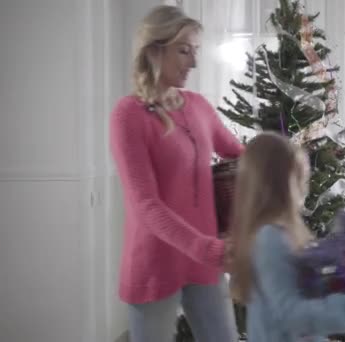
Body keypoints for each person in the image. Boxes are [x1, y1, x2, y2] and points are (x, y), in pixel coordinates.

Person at [109, 5, 243, 342]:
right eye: (184, 51)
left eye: (195, 51)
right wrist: (207, 249)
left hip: (204, 263)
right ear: (154, 49)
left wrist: (281, 152)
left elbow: (238, 154)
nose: (194, 63)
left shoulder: (198, 106)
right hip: (155, 264)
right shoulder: (128, 115)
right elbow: (146, 205)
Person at [229, 132, 345, 342]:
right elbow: (293, 316)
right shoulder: (269, 239)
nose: (306, 186)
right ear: (282, 183)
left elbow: (310, 290)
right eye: (301, 177)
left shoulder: (287, 233)